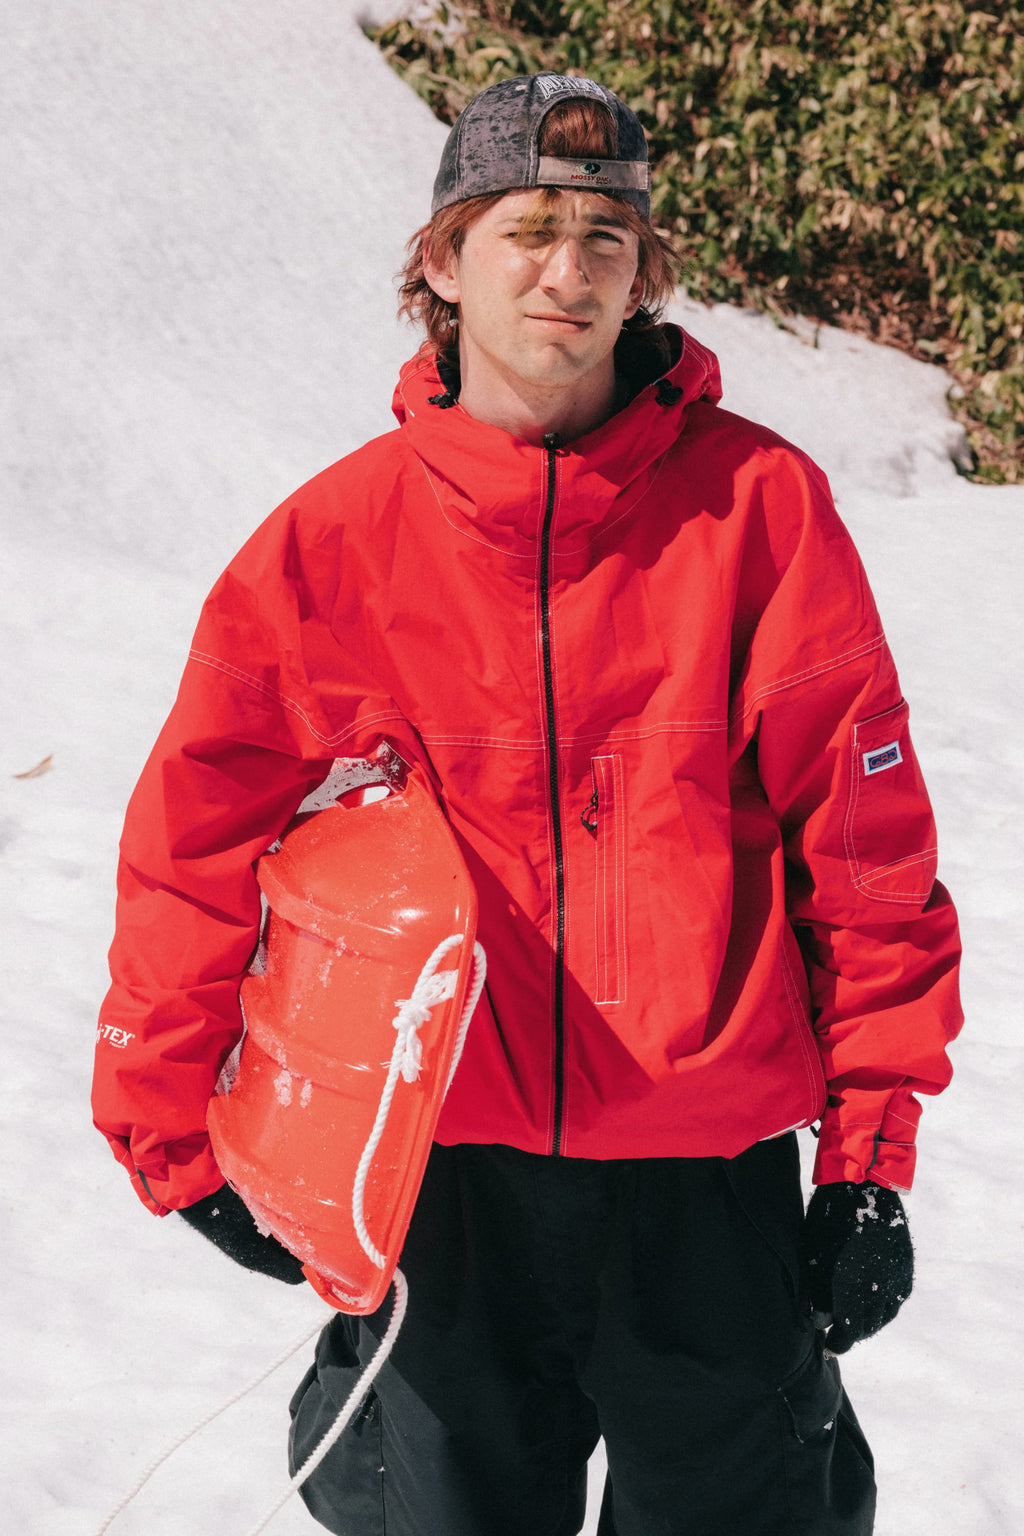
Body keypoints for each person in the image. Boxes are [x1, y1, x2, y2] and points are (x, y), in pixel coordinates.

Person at [93, 74, 963, 1535]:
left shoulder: (761, 511)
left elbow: (866, 853)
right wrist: (168, 1133)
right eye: (527, 230)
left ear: (646, 272)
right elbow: (194, 844)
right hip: (446, 1173)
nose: (568, 273)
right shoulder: (336, 540)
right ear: (442, 259)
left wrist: (869, 1156)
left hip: (712, 1180)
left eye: (606, 238)